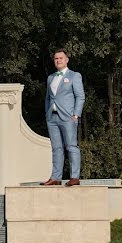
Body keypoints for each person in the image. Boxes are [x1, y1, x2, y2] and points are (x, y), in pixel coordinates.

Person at [43, 47, 85, 187]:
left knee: (71, 146)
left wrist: (76, 115)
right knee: (56, 148)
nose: (58, 60)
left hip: (68, 117)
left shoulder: (74, 76)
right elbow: (48, 98)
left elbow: (80, 96)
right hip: (52, 118)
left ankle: (74, 177)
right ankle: (56, 177)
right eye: (56, 58)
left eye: (61, 58)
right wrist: (47, 114)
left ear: (66, 60)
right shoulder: (50, 78)